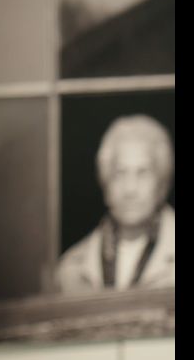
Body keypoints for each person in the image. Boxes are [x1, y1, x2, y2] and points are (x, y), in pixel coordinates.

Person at [56, 114, 175, 293]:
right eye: (120, 173)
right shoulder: (71, 269)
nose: (130, 189)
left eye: (142, 173)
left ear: (161, 184)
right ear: (105, 184)